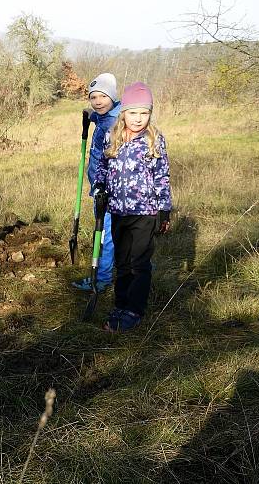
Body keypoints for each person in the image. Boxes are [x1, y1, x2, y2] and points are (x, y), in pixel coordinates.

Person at [94, 82, 172, 333]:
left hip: (145, 212)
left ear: (150, 113)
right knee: (122, 262)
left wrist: (164, 210)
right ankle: (121, 304)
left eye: (144, 113)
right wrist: (99, 188)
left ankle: (134, 311)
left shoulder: (154, 140)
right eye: (133, 113)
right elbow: (102, 169)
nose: (138, 119)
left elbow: (162, 176)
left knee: (139, 263)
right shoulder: (112, 136)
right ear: (123, 112)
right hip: (117, 211)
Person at [72, 73, 120, 292]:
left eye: (103, 96)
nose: (98, 101)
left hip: (107, 189)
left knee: (104, 235)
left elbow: (112, 158)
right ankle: (120, 268)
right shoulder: (105, 117)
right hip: (98, 186)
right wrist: (91, 116)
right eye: (93, 97)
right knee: (109, 233)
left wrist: (103, 186)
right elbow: (100, 115)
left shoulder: (113, 124)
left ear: (113, 96)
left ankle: (101, 279)